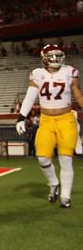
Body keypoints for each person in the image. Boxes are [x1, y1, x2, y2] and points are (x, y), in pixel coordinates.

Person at [16, 44, 83, 208]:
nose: (55, 59)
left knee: (65, 159)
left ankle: (65, 197)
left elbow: (78, 96)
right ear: (44, 57)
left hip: (66, 119)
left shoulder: (70, 72)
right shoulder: (37, 74)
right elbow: (30, 97)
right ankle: (54, 183)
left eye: (57, 55)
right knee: (43, 157)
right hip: (46, 120)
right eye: (51, 56)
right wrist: (21, 117)